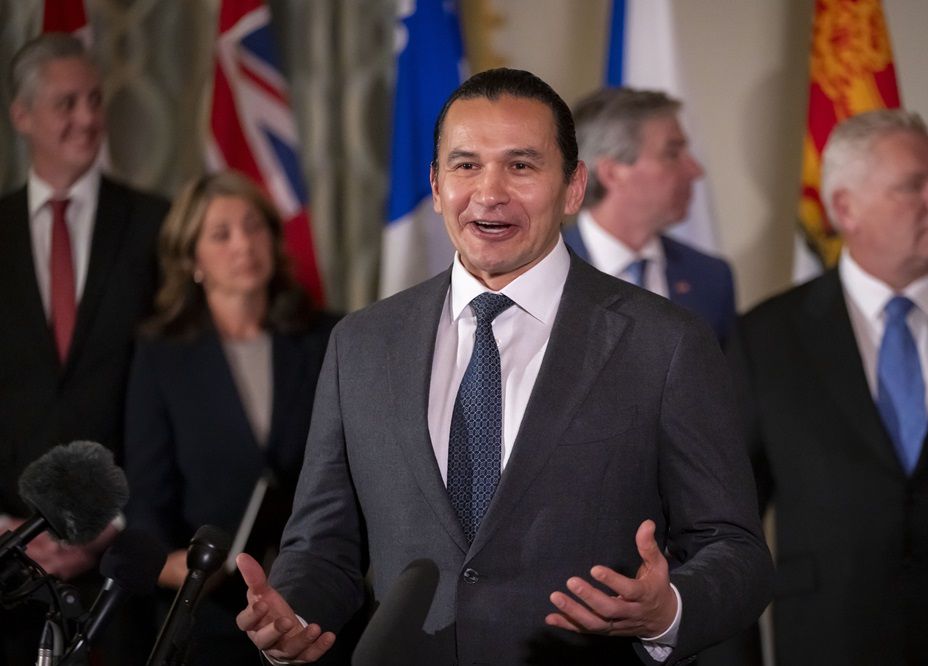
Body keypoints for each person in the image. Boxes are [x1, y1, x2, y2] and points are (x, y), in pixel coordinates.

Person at [235, 68, 770, 665]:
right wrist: (293, 616)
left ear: (573, 187)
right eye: (466, 165)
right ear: (436, 185)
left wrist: (665, 610)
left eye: (520, 165)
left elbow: (735, 550)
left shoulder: (664, 343)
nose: (489, 192)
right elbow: (323, 545)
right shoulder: (361, 344)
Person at [729, 109, 928, 664]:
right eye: (913, 185)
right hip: (829, 639)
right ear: (845, 208)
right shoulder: (767, 336)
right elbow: (726, 525)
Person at [123, 171, 337, 665]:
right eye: (221, 234)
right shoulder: (162, 355)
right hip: (208, 615)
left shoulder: (328, 338)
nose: (244, 244)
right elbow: (147, 491)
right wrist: (170, 566)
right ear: (191, 259)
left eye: (253, 226)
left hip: (311, 605)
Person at [0, 33, 167, 664]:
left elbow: (171, 393)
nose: (88, 118)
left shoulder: (156, 225)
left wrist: (113, 526)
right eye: (66, 103)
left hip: (123, 570)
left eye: (95, 100)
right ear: (22, 116)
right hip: (7, 569)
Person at [562, 87, 735, 345]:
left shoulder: (710, 277)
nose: (695, 170)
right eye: (672, 153)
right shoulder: (539, 268)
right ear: (612, 173)